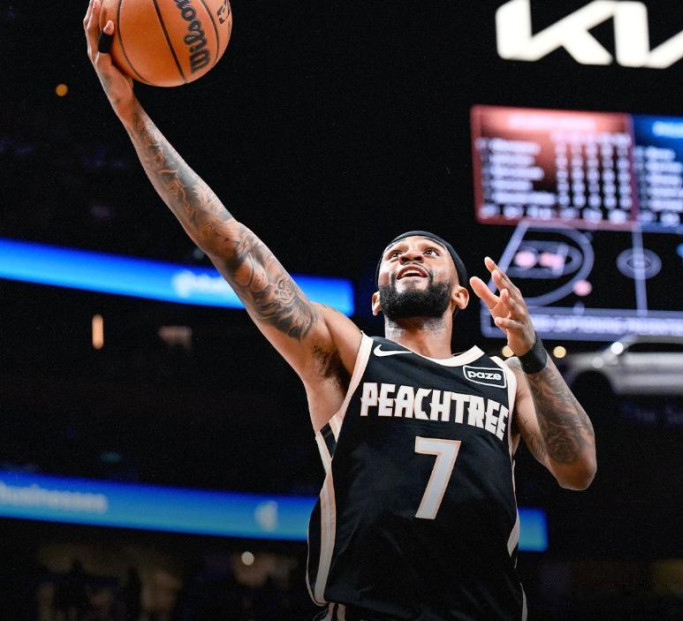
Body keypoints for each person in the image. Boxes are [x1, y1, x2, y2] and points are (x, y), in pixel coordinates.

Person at [83, 2, 596, 619]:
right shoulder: (346, 354)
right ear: (376, 297)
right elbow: (231, 245)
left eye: (429, 252)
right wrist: (130, 112)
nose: (410, 256)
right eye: (395, 255)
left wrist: (532, 352)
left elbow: (578, 470)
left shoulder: (505, 377)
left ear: (462, 294)